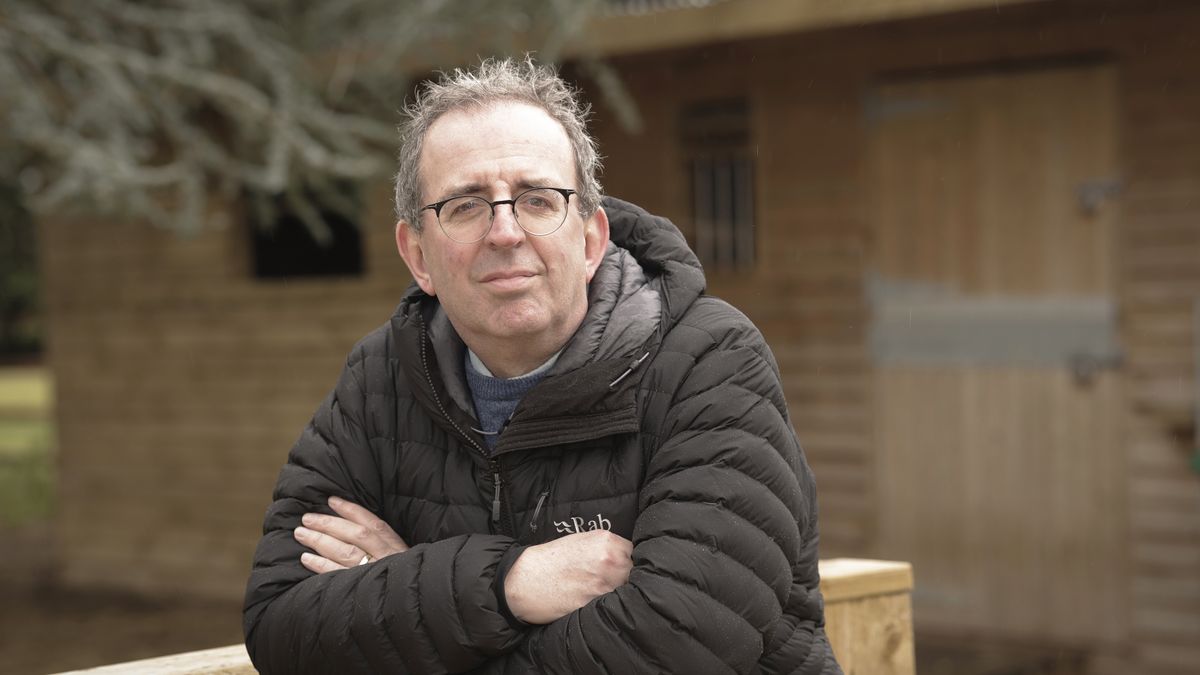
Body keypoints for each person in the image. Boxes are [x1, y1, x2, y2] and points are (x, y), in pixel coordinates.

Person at [243, 56, 840, 674]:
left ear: (589, 240)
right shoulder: (380, 380)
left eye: (536, 199)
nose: (505, 231)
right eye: (466, 205)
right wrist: (509, 584)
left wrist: (409, 589)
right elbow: (282, 628)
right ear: (417, 255)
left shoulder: (708, 360)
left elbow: (680, 644)